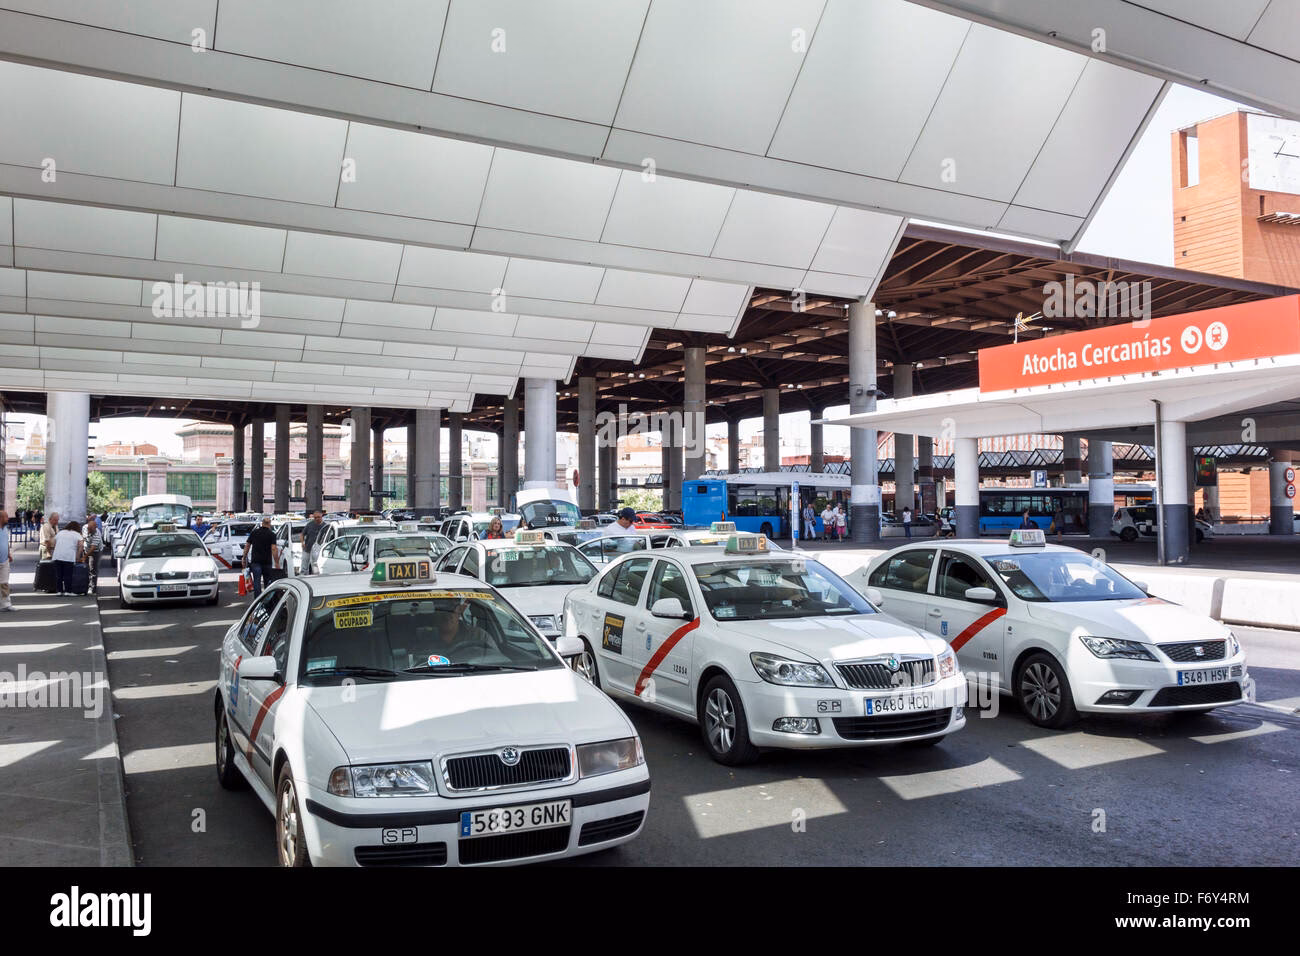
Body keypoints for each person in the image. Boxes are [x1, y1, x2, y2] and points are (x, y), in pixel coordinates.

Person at [241, 516, 280, 598]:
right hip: (267, 562)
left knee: (257, 581)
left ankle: (257, 601)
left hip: (255, 561)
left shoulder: (254, 533)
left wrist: (244, 557)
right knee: (267, 582)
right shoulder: (272, 534)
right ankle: (267, 601)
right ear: (269, 524)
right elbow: (273, 548)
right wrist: (276, 562)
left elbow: (247, 546)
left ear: (262, 523)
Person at [52, 520, 85, 596]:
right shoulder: (77, 534)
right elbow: (81, 546)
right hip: (68, 556)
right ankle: (68, 591)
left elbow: (53, 543)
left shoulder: (60, 533)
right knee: (68, 575)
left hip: (57, 556)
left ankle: (59, 591)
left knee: (59, 575)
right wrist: (78, 556)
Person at [300, 510, 325, 575]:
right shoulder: (309, 524)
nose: (317, 519)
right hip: (307, 548)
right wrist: (302, 543)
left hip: (318, 550)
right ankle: (303, 576)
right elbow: (302, 534)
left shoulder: (325, 526)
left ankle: (315, 576)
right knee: (304, 564)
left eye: (318, 517)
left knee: (315, 565)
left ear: (321, 516)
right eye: (315, 517)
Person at [83, 516, 103, 595]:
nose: (88, 531)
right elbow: (83, 538)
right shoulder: (85, 527)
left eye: (90, 530)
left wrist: (84, 557)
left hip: (95, 551)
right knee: (85, 568)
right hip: (86, 549)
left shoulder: (96, 535)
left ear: (95, 528)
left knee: (92, 569)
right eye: (88, 529)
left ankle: (92, 588)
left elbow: (92, 549)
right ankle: (85, 586)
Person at [0, 511, 13, 612]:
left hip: (4, 560)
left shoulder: (5, 529)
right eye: (6, 517)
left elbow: (6, 542)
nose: (8, 519)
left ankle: (6, 604)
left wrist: (9, 554)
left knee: (4, 583)